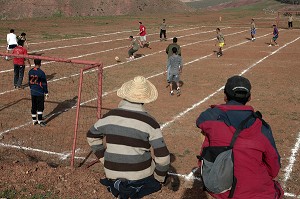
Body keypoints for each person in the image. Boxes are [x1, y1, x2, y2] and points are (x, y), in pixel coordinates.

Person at [196, 75, 283, 199]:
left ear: (225, 96)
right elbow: (273, 168)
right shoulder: (262, 127)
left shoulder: (211, 117)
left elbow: (200, 121)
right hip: (259, 192)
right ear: (250, 97)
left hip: (224, 189)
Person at [86, 76, 170, 199]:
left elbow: (91, 135)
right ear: (145, 99)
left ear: (125, 96)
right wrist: (159, 178)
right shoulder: (150, 122)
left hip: (111, 174)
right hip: (140, 177)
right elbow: (163, 157)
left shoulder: (109, 116)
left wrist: (104, 159)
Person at [28, 59, 48, 127]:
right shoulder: (41, 73)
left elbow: (29, 81)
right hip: (39, 92)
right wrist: (46, 92)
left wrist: (31, 88)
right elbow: (44, 83)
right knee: (40, 107)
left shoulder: (30, 71)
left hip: (33, 91)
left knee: (34, 106)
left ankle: (34, 120)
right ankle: (39, 121)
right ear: (40, 63)